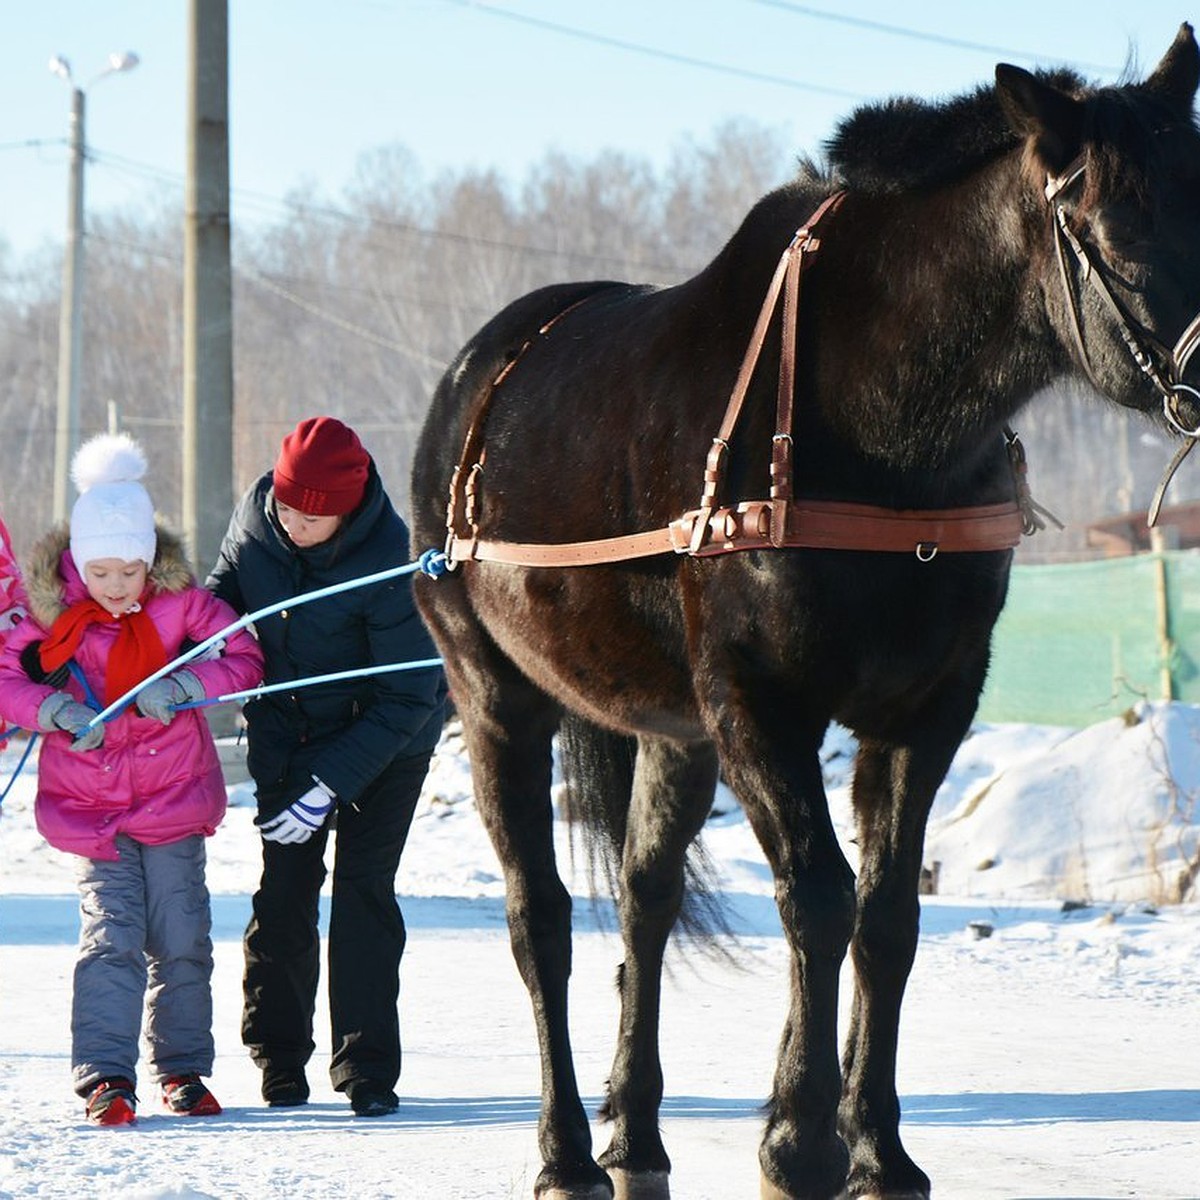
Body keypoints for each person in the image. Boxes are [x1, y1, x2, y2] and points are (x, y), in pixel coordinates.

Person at [0, 433, 263, 1126]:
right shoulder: (49, 616)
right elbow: (7, 680)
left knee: (182, 937)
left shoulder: (185, 607)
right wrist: (51, 708)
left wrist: (182, 685)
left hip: (173, 802)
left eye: (129, 571)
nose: (117, 587)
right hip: (94, 813)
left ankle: (182, 1067)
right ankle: (106, 1078)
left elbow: (243, 657)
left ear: (152, 561)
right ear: (78, 565)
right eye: (102, 572)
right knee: (111, 940)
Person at [207, 416, 446, 1118]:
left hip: (388, 741)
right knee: (284, 892)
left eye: (311, 517)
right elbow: (224, 593)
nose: (294, 524)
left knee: (363, 892)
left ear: (345, 509)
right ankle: (280, 1058)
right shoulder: (256, 520)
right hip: (289, 733)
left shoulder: (388, 559)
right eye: (286, 507)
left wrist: (331, 785)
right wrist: (189, 641)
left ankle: (366, 1068)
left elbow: (410, 693)